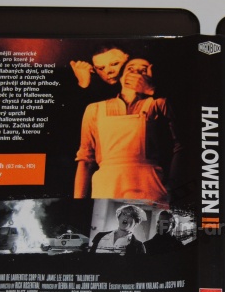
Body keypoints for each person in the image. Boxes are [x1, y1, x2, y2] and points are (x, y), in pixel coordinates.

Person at [74, 58, 183, 204]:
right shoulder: (95, 109)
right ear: (120, 77)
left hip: (150, 185)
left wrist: (171, 186)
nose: (136, 73)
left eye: (143, 70)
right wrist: (78, 202)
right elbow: (86, 159)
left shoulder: (158, 104)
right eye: (130, 69)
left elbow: (182, 144)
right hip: (107, 186)